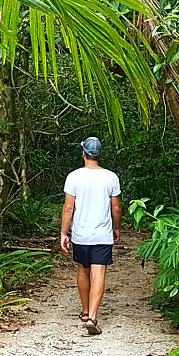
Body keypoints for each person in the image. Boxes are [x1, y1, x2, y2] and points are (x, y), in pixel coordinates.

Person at [60, 137, 121, 335]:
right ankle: (93, 317)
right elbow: (116, 207)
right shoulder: (111, 177)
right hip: (102, 234)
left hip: (81, 234)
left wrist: (63, 232)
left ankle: (85, 311)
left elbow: (68, 207)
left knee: (83, 269)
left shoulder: (74, 177)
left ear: (83, 153)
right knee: (99, 272)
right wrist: (116, 228)